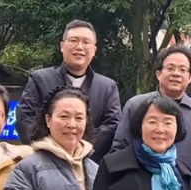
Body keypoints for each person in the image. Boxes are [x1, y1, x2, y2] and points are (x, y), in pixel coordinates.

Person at [15, 20, 122, 159]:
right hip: (45, 159)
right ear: (62, 46)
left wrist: (80, 147)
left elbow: (112, 125)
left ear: (94, 50)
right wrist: (52, 148)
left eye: (86, 42)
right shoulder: (39, 79)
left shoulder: (107, 87)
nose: (79, 47)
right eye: (73, 40)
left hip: (90, 161)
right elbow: (25, 119)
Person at [113, 45, 191, 184]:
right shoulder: (136, 105)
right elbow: (119, 150)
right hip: (142, 187)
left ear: (190, 77)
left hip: (187, 189)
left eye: (182, 70)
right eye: (170, 68)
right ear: (158, 74)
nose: (176, 74)